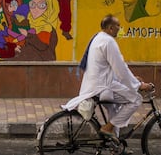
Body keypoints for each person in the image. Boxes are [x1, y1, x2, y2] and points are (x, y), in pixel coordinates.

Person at [61, 14, 152, 145]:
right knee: (136, 99)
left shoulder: (98, 38)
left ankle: (115, 146)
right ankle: (107, 128)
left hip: (97, 85)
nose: (120, 29)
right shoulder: (108, 41)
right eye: (118, 26)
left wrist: (132, 80)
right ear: (110, 28)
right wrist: (138, 85)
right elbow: (121, 68)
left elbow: (108, 68)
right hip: (103, 87)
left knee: (115, 110)